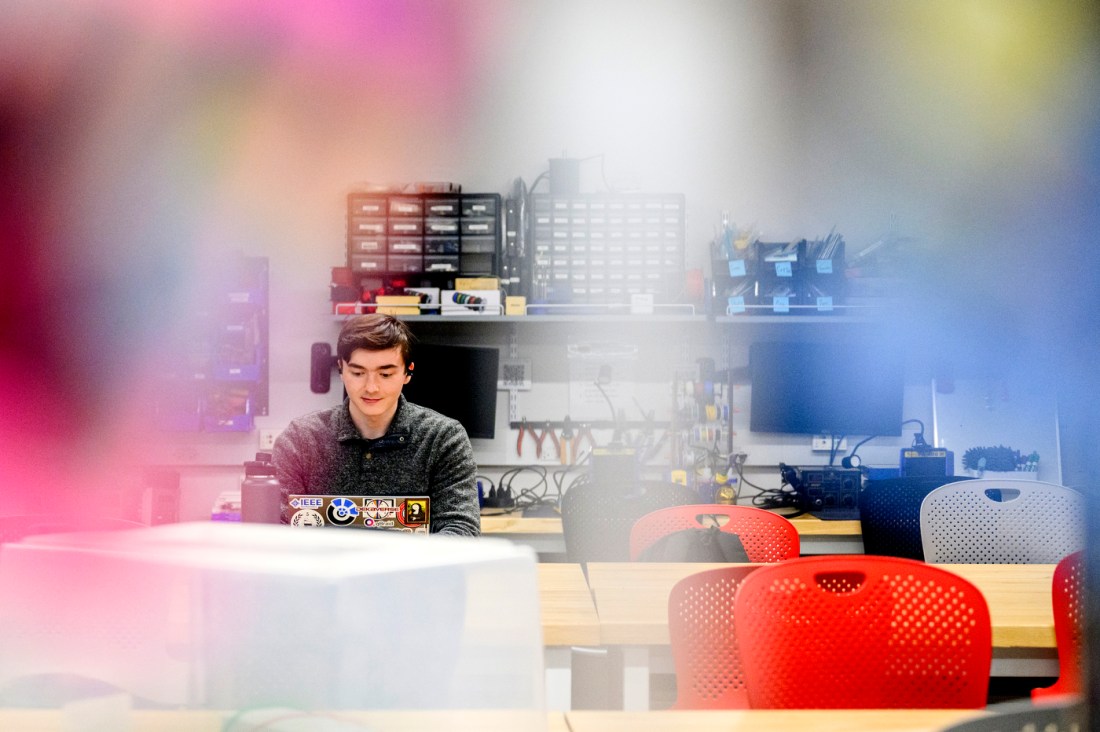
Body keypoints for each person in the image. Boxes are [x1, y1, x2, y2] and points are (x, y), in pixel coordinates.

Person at [273, 313, 480, 536]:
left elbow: (462, 531)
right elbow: (277, 531)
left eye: (386, 374)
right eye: (358, 372)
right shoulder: (299, 440)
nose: (371, 387)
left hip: (412, 570)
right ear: (341, 369)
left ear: (408, 372)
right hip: (324, 570)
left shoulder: (444, 438)